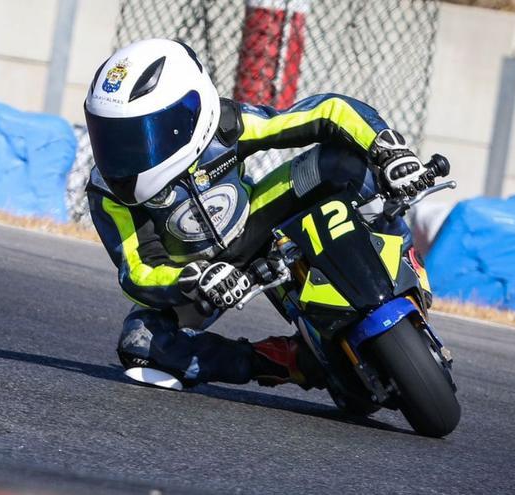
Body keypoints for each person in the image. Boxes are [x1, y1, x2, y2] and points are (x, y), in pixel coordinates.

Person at [84, 38, 433, 391]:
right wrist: (192, 279)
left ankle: (402, 254)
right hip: (204, 278)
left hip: (257, 221)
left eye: (142, 135)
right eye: (112, 138)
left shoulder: (225, 127)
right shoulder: (107, 191)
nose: (125, 154)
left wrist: (389, 150)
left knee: (344, 163)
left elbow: (326, 112)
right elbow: (138, 271)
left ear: (189, 112)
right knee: (141, 345)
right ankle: (285, 360)